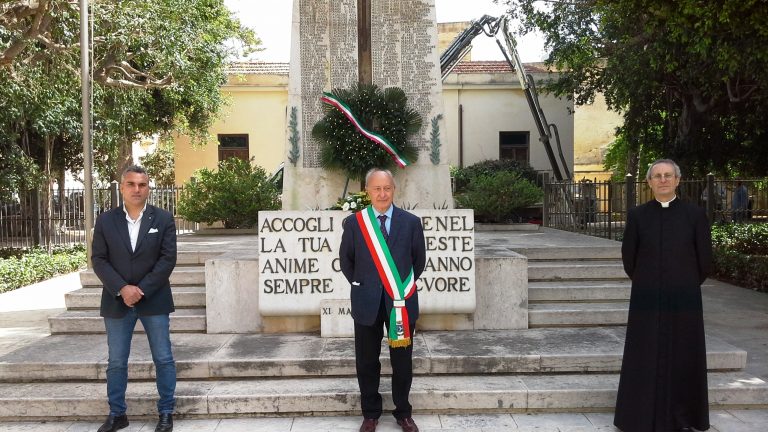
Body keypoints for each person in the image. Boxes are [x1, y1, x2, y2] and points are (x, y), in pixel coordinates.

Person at [614, 159, 713, 432]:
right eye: (657, 176)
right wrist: (649, 282)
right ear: (649, 182)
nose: (663, 180)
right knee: (644, 355)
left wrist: (684, 283)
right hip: (646, 299)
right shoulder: (637, 215)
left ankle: (685, 417)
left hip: (685, 299)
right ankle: (639, 417)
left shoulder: (695, 215)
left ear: (678, 180)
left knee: (684, 355)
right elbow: (629, 259)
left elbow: (704, 260)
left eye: (668, 175)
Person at [339, 168, 426, 432]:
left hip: (400, 303)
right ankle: (371, 413)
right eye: (376, 188)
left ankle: (403, 412)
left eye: (386, 188)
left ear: (393, 190)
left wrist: (396, 288)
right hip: (366, 302)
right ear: (368, 191)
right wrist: (367, 285)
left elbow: (418, 262)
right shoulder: (355, 223)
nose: (382, 193)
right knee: (366, 361)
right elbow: (347, 262)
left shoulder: (410, 222)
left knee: (402, 361)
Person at [92, 165, 177, 432]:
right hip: (117, 300)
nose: (136, 189)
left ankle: (165, 412)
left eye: (142, 185)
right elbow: (99, 259)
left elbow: (167, 259)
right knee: (116, 361)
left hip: (154, 298)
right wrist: (122, 288)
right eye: (131, 184)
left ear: (148, 188)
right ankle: (118, 414)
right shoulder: (105, 220)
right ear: (122, 188)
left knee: (163, 358)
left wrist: (140, 289)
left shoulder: (163, 219)